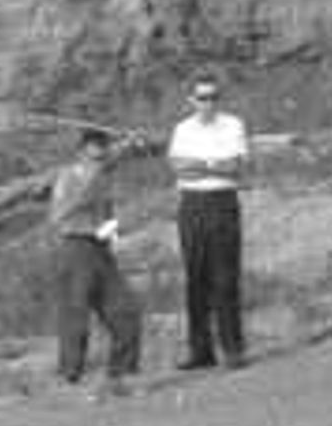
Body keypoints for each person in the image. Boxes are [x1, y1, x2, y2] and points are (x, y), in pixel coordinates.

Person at [42, 124, 141, 387]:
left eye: (102, 152)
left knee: (124, 311)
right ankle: (70, 376)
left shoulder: (105, 180)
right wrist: (87, 189)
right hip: (74, 248)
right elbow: (58, 216)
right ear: (81, 153)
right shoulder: (68, 177)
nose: (99, 158)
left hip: (101, 250)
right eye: (93, 153)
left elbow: (106, 218)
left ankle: (120, 375)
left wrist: (115, 229)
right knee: (76, 315)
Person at [165, 71, 251, 369]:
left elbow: (235, 167)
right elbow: (179, 168)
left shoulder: (233, 125)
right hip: (192, 205)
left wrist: (202, 166)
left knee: (225, 278)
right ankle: (200, 351)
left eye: (214, 97)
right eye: (203, 98)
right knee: (196, 279)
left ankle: (233, 349)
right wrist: (214, 164)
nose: (209, 103)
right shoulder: (182, 130)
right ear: (192, 100)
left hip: (222, 202)